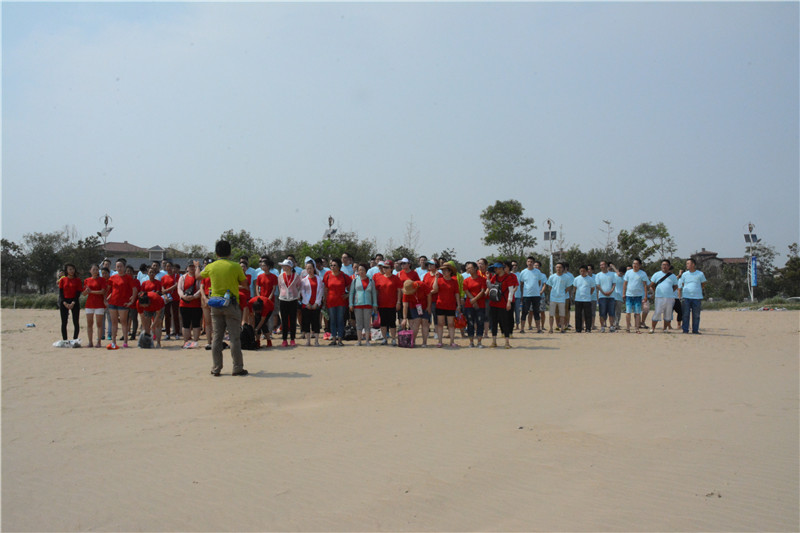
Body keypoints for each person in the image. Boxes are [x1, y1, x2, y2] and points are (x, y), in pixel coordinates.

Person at [197, 240, 249, 376]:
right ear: (230, 253)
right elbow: (245, 284)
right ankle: (237, 367)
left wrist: (197, 266)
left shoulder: (211, 266)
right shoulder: (235, 266)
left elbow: (197, 276)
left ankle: (216, 368)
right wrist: (233, 285)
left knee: (217, 337)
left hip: (215, 304)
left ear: (216, 253)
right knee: (234, 338)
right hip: (231, 303)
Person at [106, 260, 138, 349]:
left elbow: (134, 289)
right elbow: (108, 289)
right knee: (114, 322)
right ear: (115, 268)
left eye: (121, 266)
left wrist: (132, 301)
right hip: (113, 302)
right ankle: (113, 341)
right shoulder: (112, 278)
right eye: (118, 266)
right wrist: (105, 299)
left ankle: (125, 341)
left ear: (124, 267)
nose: (119, 268)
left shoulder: (128, 278)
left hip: (123, 303)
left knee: (124, 322)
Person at [431, 262, 462, 348]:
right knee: (440, 323)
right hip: (440, 304)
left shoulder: (454, 281)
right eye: (443, 270)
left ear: (450, 271)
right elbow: (435, 289)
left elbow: (457, 293)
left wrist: (458, 305)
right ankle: (440, 341)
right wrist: (436, 278)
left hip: (451, 305)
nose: (444, 272)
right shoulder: (439, 280)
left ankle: (452, 341)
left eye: (445, 270)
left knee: (451, 324)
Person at [488, 261, 517, 348]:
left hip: (503, 303)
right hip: (494, 302)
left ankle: (507, 342)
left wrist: (509, 302)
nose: (495, 270)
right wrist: (487, 279)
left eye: (496, 268)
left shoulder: (508, 277)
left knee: (505, 322)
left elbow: (511, 291)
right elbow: (490, 287)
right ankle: (494, 341)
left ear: (501, 268)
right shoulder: (495, 277)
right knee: (494, 322)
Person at [373, 260, 402, 345]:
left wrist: (398, 302)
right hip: (381, 304)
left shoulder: (395, 278)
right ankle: (384, 338)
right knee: (383, 322)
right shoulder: (379, 278)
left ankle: (393, 339)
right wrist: (375, 303)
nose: (384, 269)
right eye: (383, 267)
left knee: (392, 322)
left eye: (387, 267)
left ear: (391, 268)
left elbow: (399, 291)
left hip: (392, 304)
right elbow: (376, 291)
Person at [323, 258, 350, 346]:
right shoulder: (327, 275)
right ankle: (334, 339)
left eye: (334, 265)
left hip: (341, 302)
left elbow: (351, 286)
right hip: (331, 302)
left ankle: (340, 340)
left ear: (339, 267)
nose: (332, 267)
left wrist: (348, 295)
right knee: (332, 321)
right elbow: (325, 288)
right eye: (331, 265)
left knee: (340, 321)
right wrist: (324, 299)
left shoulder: (344, 276)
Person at [350, 263, 378, 346]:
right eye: (359, 270)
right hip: (357, 305)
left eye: (363, 270)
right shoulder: (355, 280)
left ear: (366, 271)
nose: (361, 272)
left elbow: (374, 293)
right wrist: (351, 304)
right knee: (359, 323)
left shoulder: (371, 281)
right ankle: (359, 341)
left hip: (368, 305)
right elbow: (351, 293)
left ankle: (367, 341)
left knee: (367, 323)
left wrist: (375, 304)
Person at [649, 259, 679, 333]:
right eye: (663, 265)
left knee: (668, 313)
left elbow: (675, 286)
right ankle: (653, 328)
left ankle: (665, 329)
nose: (664, 266)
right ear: (661, 266)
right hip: (659, 297)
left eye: (666, 265)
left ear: (669, 266)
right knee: (657, 312)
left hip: (669, 297)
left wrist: (670, 291)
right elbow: (652, 285)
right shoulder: (656, 274)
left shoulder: (673, 276)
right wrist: (656, 291)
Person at [678, 258, 707, 334]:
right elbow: (682, 284)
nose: (687, 265)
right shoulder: (684, 274)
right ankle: (685, 330)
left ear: (693, 264)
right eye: (686, 264)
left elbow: (703, 283)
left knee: (696, 315)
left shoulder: (700, 274)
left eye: (688, 263)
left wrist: (697, 289)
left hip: (697, 297)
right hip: (686, 297)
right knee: (685, 314)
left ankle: (695, 330)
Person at [277, 258, 302, 347]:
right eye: (283, 266)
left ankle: (292, 339)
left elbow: (299, 286)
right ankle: (284, 339)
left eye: (285, 266)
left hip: (293, 300)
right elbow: (280, 286)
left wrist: (296, 295)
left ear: (289, 267)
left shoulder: (296, 276)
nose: (283, 267)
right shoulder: (280, 276)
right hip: (283, 300)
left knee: (292, 320)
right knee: (284, 320)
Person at [178, 262, 203, 348]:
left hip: (196, 304)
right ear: (187, 268)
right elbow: (179, 288)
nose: (192, 268)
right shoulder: (182, 277)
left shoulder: (199, 278)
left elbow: (201, 289)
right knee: (185, 323)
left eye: (193, 267)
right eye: (190, 267)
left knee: (196, 323)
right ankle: (186, 342)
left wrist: (194, 296)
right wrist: (183, 296)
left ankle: (195, 341)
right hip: (184, 304)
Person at [462, 261, 487, 348]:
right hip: (469, 305)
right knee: (470, 323)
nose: (468, 269)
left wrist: (475, 300)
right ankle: (471, 341)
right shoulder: (466, 280)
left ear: (475, 268)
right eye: (467, 268)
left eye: (470, 268)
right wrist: (473, 301)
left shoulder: (482, 279)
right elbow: (466, 291)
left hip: (480, 305)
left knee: (480, 322)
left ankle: (479, 342)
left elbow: (482, 291)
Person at [299, 258, 323, 346]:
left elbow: (320, 291)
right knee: (306, 322)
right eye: (307, 268)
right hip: (306, 305)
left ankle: (316, 341)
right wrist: (307, 303)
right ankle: (308, 341)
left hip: (316, 304)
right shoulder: (304, 280)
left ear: (314, 268)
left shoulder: (319, 279)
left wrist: (316, 303)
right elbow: (302, 292)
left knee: (316, 322)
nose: (309, 270)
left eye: (310, 268)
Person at [139, 265, 165, 348]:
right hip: (146, 303)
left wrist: (154, 324)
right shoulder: (144, 283)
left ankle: (158, 343)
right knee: (147, 324)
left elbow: (158, 292)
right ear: (147, 273)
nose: (151, 274)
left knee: (157, 324)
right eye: (150, 272)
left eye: (153, 272)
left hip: (157, 303)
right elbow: (142, 293)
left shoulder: (158, 283)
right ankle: (148, 342)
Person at [82, 264, 107, 348]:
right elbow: (84, 294)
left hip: (99, 304)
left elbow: (102, 291)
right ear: (90, 271)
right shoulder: (87, 280)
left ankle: (99, 342)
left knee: (99, 324)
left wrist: (91, 291)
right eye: (93, 269)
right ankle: (90, 342)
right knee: (89, 324)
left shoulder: (102, 280)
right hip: (89, 304)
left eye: (96, 269)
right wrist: (86, 291)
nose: (95, 271)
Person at [518, 256, 544, 334]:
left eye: (531, 262)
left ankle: (538, 329)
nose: (530, 263)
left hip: (536, 295)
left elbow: (539, 282)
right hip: (526, 295)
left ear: (533, 263)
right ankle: (522, 329)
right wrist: (522, 294)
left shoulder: (537, 272)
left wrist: (536, 290)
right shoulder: (523, 272)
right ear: (526, 263)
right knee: (524, 312)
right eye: (528, 261)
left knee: (536, 312)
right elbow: (521, 284)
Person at [623, 258, 649, 333]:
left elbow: (645, 285)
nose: (635, 265)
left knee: (637, 313)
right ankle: (628, 328)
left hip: (638, 296)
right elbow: (625, 284)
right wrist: (623, 293)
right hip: (629, 295)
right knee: (628, 312)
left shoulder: (643, 273)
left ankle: (637, 328)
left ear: (640, 265)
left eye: (636, 264)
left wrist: (646, 296)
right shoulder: (628, 273)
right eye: (634, 263)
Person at [58, 263, 83, 343]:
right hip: (64, 301)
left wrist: (73, 302)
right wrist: (64, 302)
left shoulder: (78, 280)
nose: (72, 271)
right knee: (64, 322)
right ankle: (65, 340)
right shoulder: (62, 280)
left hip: (74, 302)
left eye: (73, 269)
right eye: (70, 269)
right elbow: (61, 293)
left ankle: (75, 339)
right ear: (66, 270)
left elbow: (78, 292)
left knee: (76, 321)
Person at [546, 262, 572, 333]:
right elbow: (549, 286)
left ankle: (562, 328)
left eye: (560, 267)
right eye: (557, 267)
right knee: (551, 314)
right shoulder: (552, 277)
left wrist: (563, 293)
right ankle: (551, 328)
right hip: (553, 298)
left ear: (563, 268)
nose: (558, 269)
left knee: (562, 315)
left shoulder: (566, 277)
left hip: (562, 298)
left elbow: (568, 287)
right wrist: (553, 293)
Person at [595, 261, 618, 333]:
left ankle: (611, 326)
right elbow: (598, 285)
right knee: (602, 313)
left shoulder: (612, 274)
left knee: (611, 312)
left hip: (611, 296)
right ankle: (602, 327)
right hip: (602, 296)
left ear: (606, 266)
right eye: (600, 265)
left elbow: (614, 284)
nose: (602, 266)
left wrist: (611, 291)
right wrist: (603, 292)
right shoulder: (598, 275)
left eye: (603, 265)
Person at [161, 262, 181, 340]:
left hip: (175, 298)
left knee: (175, 315)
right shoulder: (163, 277)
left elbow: (176, 285)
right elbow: (162, 287)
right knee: (167, 316)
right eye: (167, 266)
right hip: (167, 298)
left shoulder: (176, 276)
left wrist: (167, 290)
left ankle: (177, 333)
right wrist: (165, 295)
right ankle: (167, 333)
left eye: (170, 266)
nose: (168, 268)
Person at [572, 266, 596, 333]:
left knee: (588, 315)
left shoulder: (590, 279)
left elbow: (592, 288)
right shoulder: (576, 279)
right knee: (578, 315)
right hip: (578, 299)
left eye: (584, 271)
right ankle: (578, 329)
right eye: (581, 271)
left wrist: (588, 294)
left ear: (587, 271)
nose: (582, 272)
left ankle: (588, 328)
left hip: (587, 300)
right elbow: (575, 288)